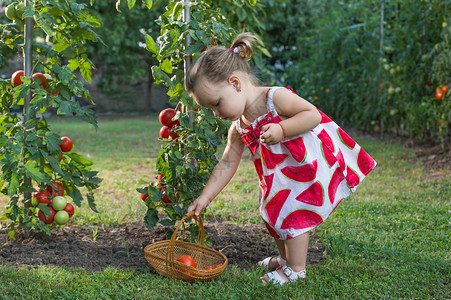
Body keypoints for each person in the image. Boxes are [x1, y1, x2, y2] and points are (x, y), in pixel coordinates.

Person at [185, 32, 376, 285]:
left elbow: (313, 115)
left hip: (305, 168)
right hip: (279, 178)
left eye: (217, 104)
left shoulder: (275, 98)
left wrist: (282, 129)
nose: (216, 113)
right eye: (210, 108)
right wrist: (205, 197)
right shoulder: (239, 126)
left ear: (235, 83)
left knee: (293, 211)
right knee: (272, 211)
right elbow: (227, 162)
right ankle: (286, 260)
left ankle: (296, 269)